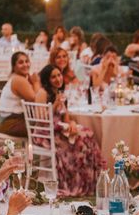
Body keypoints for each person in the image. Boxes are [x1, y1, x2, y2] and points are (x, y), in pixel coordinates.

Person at [35, 65, 104, 196]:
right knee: (79, 142)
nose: (57, 79)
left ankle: (89, 182)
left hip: (59, 129)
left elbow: (66, 117)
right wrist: (55, 104)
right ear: (47, 79)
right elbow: (41, 120)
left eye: (59, 75)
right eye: (53, 76)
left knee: (87, 135)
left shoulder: (60, 93)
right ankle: (73, 182)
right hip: (45, 133)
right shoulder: (42, 93)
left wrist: (72, 124)